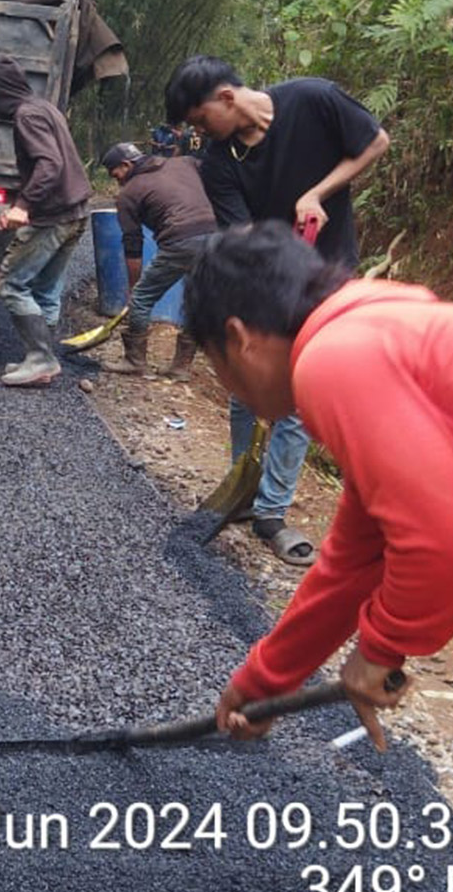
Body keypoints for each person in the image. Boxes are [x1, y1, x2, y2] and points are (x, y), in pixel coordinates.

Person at [183, 223, 453, 754]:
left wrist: (382, 646)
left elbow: (447, 543)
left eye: (218, 367)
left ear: (239, 337)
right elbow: (356, 559)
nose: (230, 387)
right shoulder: (374, 328)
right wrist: (263, 681)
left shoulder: (334, 360)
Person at [165, 55, 389, 567]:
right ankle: (242, 480)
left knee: (301, 391)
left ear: (226, 97)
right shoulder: (220, 163)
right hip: (264, 282)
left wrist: (318, 191)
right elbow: (240, 235)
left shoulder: (312, 98)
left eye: (200, 120)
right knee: (247, 388)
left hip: (325, 275)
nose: (200, 132)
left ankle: (271, 510)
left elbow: (375, 142)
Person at [0, 54, 92, 387]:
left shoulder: (26, 115)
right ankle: (43, 360)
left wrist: (24, 206)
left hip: (53, 218)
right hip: (74, 213)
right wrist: (18, 204)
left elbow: (49, 164)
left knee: (12, 283)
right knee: (45, 289)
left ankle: (41, 358)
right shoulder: (44, 108)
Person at [100, 141, 216, 380]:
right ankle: (181, 367)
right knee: (197, 298)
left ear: (127, 164)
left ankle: (135, 361)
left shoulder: (129, 193)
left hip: (181, 240)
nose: (118, 181)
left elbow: (133, 245)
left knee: (142, 298)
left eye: (116, 174)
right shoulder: (185, 163)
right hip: (218, 237)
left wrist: (133, 288)